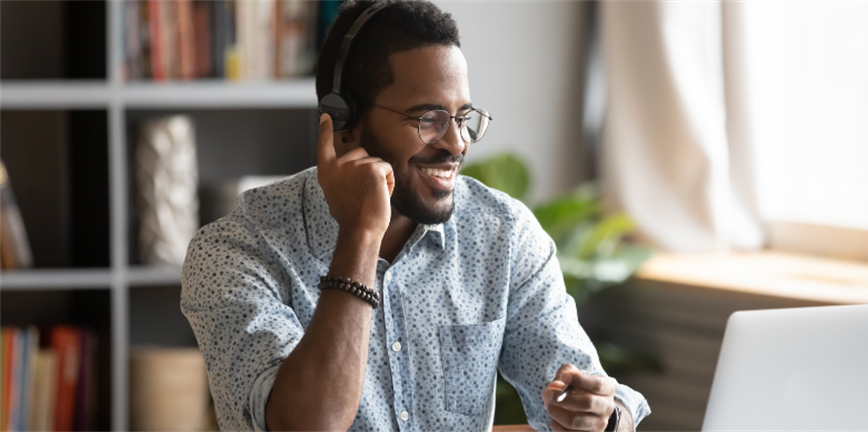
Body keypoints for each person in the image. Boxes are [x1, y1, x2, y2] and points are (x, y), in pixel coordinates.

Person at [180, 1, 651, 431]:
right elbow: (306, 426)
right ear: (342, 126)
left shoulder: (501, 234)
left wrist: (604, 416)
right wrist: (361, 235)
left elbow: (593, 395)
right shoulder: (235, 251)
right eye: (428, 119)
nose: (456, 143)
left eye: (463, 117)